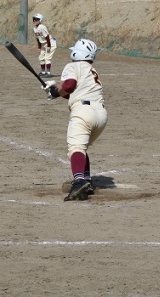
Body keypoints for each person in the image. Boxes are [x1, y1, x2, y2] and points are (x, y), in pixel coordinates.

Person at [42, 39, 107, 202]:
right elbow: (73, 93)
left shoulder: (73, 66)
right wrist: (56, 90)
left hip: (83, 112)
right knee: (81, 148)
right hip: (100, 115)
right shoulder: (91, 70)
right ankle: (87, 181)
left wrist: (56, 90)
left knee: (76, 148)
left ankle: (79, 182)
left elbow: (69, 85)